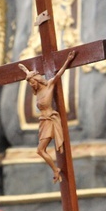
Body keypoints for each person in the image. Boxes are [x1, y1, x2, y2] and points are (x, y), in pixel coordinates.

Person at [18, 50, 76, 184]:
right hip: (43, 122)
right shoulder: (37, 92)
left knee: (40, 150)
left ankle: (56, 170)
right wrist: (25, 70)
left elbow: (59, 74)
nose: (31, 84)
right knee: (40, 150)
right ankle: (56, 170)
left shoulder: (49, 86)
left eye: (32, 82)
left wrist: (68, 60)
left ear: (37, 80)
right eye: (30, 83)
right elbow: (29, 75)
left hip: (50, 120)